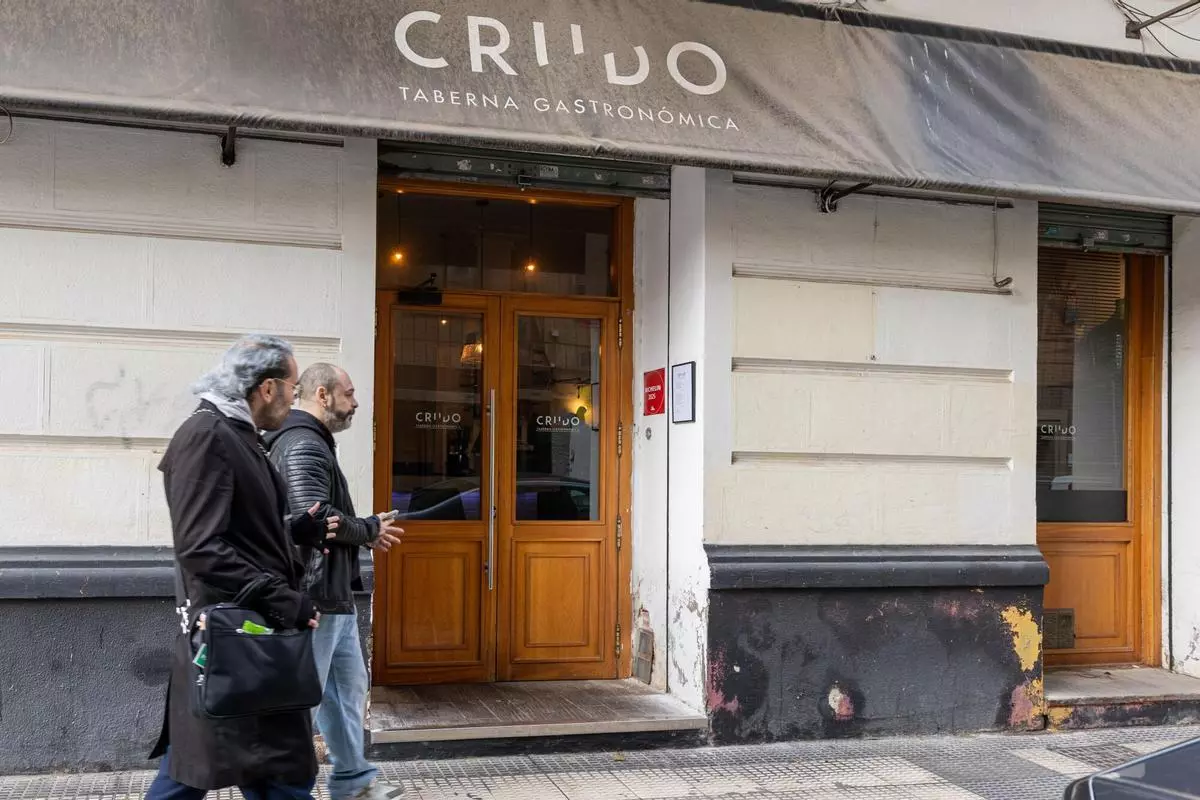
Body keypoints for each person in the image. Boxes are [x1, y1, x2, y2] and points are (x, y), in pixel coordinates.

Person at [147, 334, 336, 800]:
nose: (295, 398)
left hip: (253, 643)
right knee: (206, 775)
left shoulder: (238, 435)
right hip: (236, 640)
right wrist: (283, 599)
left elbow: (239, 531)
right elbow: (200, 547)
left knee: (275, 775)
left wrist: (297, 530)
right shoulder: (207, 437)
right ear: (267, 388)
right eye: (293, 387)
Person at [265, 363, 405, 800]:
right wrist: (368, 529)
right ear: (322, 395)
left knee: (346, 690)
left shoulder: (312, 441)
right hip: (315, 596)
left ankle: (354, 781)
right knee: (304, 699)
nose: (356, 402)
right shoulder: (304, 444)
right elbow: (315, 516)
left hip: (332, 594)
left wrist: (363, 531)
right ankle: (279, 788)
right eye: (349, 393)